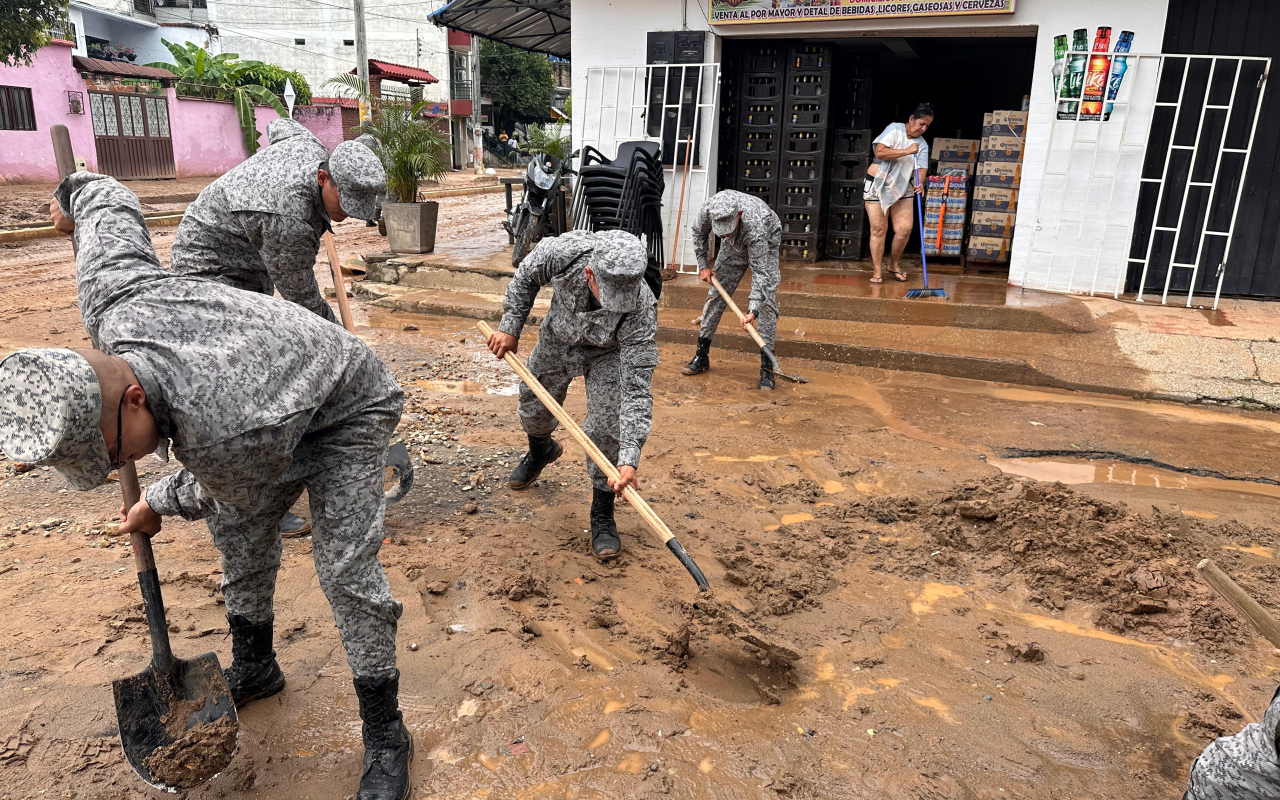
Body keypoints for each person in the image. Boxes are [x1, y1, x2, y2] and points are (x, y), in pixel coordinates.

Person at [29, 173, 412, 800]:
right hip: (267, 398)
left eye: (118, 454)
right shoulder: (112, 300)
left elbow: (225, 487)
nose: (123, 466)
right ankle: (257, 665)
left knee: (345, 568)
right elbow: (108, 202)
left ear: (131, 398)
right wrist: (69, 194)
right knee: (240, 532)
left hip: (346, 405)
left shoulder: (222, 436)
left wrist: (155, 499)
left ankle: (387, 732)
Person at [169, 117, 385, 537]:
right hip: (209, 271)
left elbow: (281, 126)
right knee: (247, 382)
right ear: (323, 176)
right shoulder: (288, 219)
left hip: (247, 260)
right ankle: (254, 495)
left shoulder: (309, 145)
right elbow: (303, 303)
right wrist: (349, 349)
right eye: (342, 205)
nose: (341, 218)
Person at [484, 230, 658, 559]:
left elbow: (636, 387)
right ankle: (541, 450)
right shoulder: (564, 251)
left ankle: (602, 512)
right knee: (534, 406)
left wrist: (629, 458)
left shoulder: (642, 310)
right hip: (558, 338)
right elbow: (525, 277)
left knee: (607, 427)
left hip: (608, 353)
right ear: (590, 273)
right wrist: (510, 326)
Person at [681, 189, 782, 390]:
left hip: (766, 242)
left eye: (728, 227)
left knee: (766, 303)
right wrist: (703, 265)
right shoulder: (709, 209)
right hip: (733, 246)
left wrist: (753, 310)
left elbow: (760, 273)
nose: (724, 232)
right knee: (715, 295)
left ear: (739, 214)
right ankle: (701, 356)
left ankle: (767, 369)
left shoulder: (756, 226)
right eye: (721, 229)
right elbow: (698, 232)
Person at [864, 103, 933, 284]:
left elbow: (921, 169)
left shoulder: (922, 144)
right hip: (877, 185)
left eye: (927, 126)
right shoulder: (894, 129)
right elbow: (880, 151)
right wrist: (906, 150)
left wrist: (920, 182)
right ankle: (877, 270)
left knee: (904, 229)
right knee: (879, 229)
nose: (923, 128)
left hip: (903, 187)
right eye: (921, 123)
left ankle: (893, 264)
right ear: (911, 119)